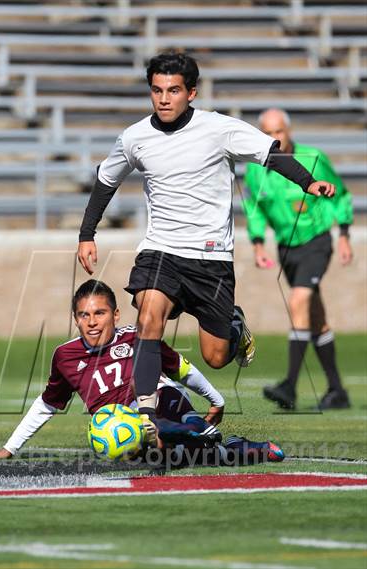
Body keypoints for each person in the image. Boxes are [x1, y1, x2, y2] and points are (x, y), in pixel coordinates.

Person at [76, 52, 335, 429]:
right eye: (157, 90)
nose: (164, 98)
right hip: (161, 250)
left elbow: (269, 154)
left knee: (215, 356)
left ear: (192, 92)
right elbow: (105, 181)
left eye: (174, 90)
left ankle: (233, 325)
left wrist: (307, 182)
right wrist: (87, 234)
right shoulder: (134, 138)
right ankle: (146, 417)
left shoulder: (218, 128)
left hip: (211, 258)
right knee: (148, 318)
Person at [0, 279, 284, 464]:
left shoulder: (137, 338)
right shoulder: (65, 356)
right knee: (184, 457)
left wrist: (216, 400)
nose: (92, 322)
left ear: (115, 314)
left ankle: (195, 429)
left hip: (160, 399)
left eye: (99, 313)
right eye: (83, 315)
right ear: (75, 319)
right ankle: (233, 446)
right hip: (120, 427)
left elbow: (180, 368)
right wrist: (10, 448)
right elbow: (48, 404)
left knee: (182, 428)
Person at [242, 108, 353, 411]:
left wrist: (343, 234)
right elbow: (254, 209)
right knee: (314, 315)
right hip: (286, 248)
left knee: (298, 301)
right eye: (268, 133)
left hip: (316, 242)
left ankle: (290, 385)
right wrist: (257, 244)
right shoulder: (256, 169)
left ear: (289, 131)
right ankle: (337, 391)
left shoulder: (314, 158)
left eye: (279, 132)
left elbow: (342, 195)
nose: (274, 138)